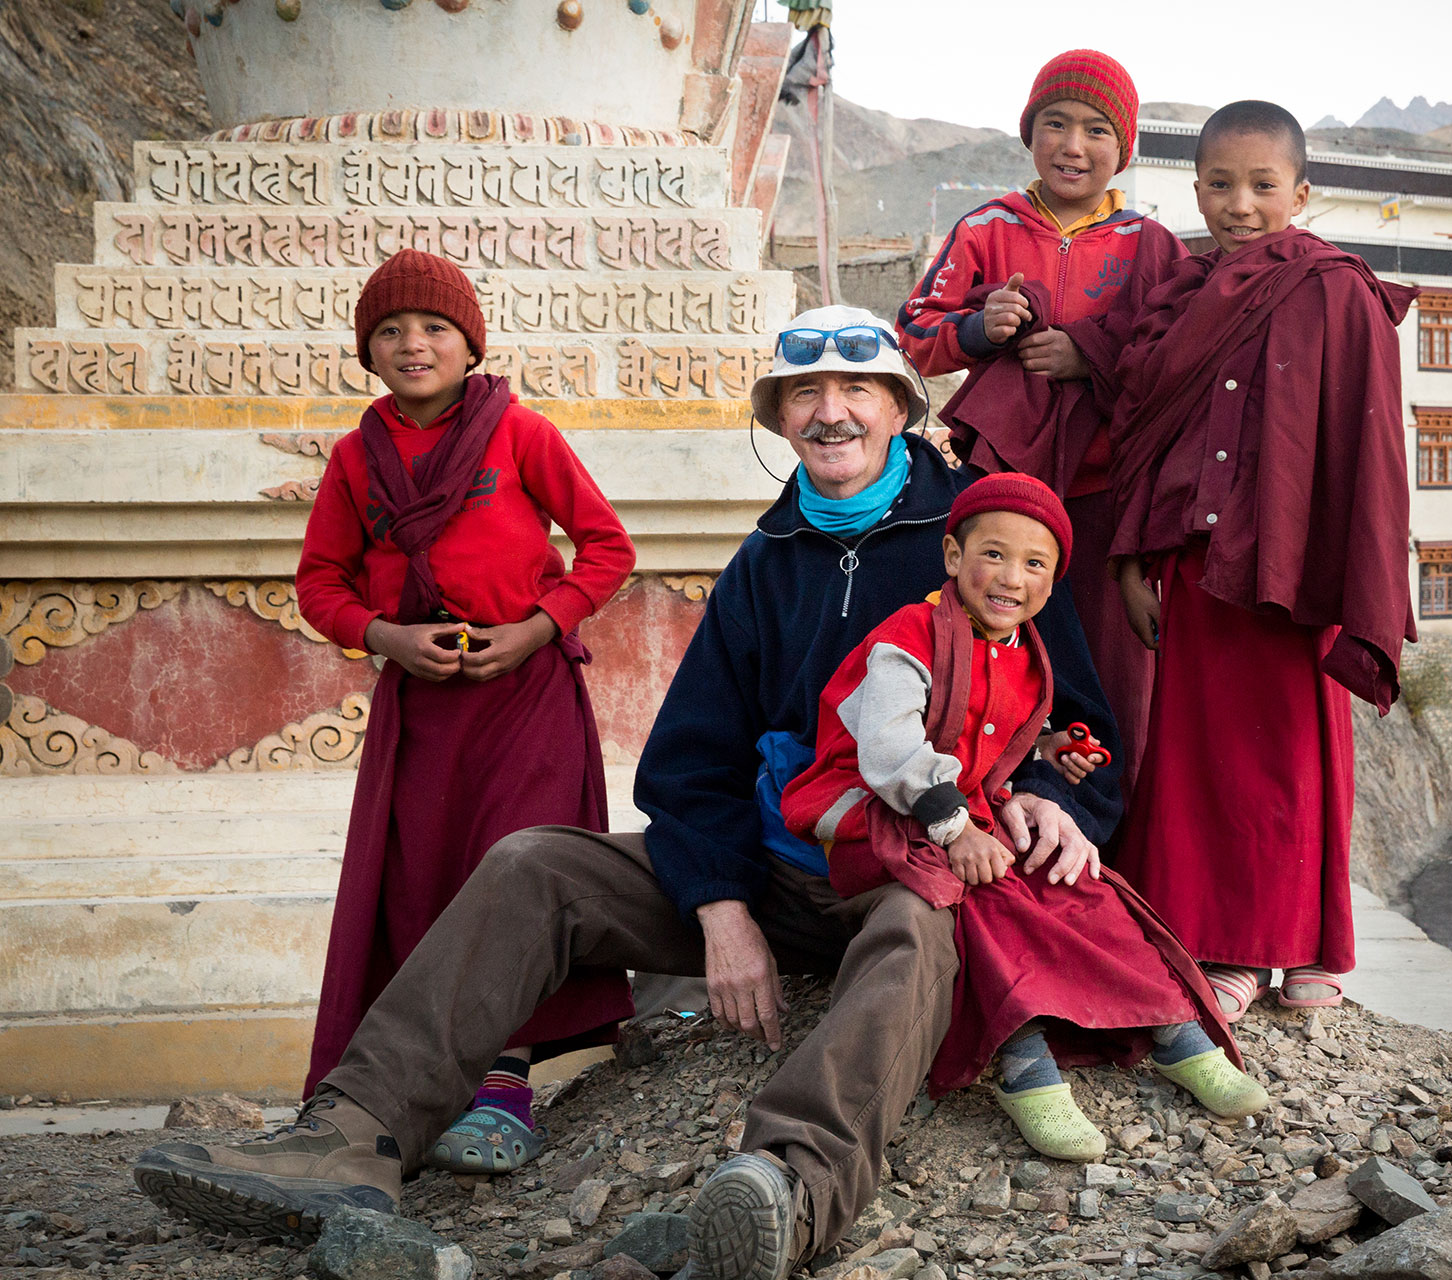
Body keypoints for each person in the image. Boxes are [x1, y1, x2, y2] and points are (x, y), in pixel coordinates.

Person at [134, 306, 1124, 1280]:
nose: (832, 414)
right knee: (537, 866)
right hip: (779, 864)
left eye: (856, 390)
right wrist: (722, 909)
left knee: (916, 929)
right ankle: (349, 1139)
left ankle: (790, 1182)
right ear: (780, 417)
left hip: (912, 868)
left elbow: (1080, 721)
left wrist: (1048, 791)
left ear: (899, 406)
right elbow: (690, 760)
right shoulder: (764, 565)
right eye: (806, 394)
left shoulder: (982, 540)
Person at [781, 473, 1267, 1161]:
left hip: (957, 804)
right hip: (873, 811)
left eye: (1034, 564)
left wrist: (1047, 754)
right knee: (978, 896)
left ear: (1052, 581)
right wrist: (956, 829)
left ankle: (1171, 1024)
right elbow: (888, 748)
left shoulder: (1026, 656)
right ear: (953, 557)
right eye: (993, 555)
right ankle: (1022, 1057)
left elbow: (989, 747)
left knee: (1081, 883)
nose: (1011, 578)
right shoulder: (908, 635)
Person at [293, 248, 636, 1172]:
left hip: (523, 699)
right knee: (420, 885)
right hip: (422, 708)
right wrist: (385, 638)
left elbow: (607, 547)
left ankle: (505, 1086)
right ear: (367, 352)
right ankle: (413, 1089)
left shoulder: (519, 434)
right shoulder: (357, 458)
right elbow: (319, 583)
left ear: (470, 344)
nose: (413, 345)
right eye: (391, 332)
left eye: (434, 328)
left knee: (512, 876)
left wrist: (536, 628)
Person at [1105, 102, 1419, 1020]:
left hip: (1296, 569)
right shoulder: (1181, 292)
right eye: (1219, 184)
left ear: (1301, 192)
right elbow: (1143, 435)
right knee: (1205, 766)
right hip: (1198, 571)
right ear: (1193, 186)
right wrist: (1133, 561)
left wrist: (1354, 570)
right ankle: (1229, 949)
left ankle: (1310, 947)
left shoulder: (1335, 288)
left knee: (1297, 760)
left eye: (1262, 185)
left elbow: (1369, 450)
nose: (1240, 205)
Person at [897, 49, 1187, 790]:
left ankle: (1105, 836)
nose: (1073, 145)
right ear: (1029, 133)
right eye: (1055, 123)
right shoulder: (985, 230)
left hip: (1105, 499)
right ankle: (988, 809)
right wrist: (976, 330)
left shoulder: (1150, 246)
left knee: (1111, 678)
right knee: (996, 663)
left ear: (1122, 150)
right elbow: (908, 339)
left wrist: (1092, 356)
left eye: (1096, 130)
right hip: (1002, 502)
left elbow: (1181, 363)